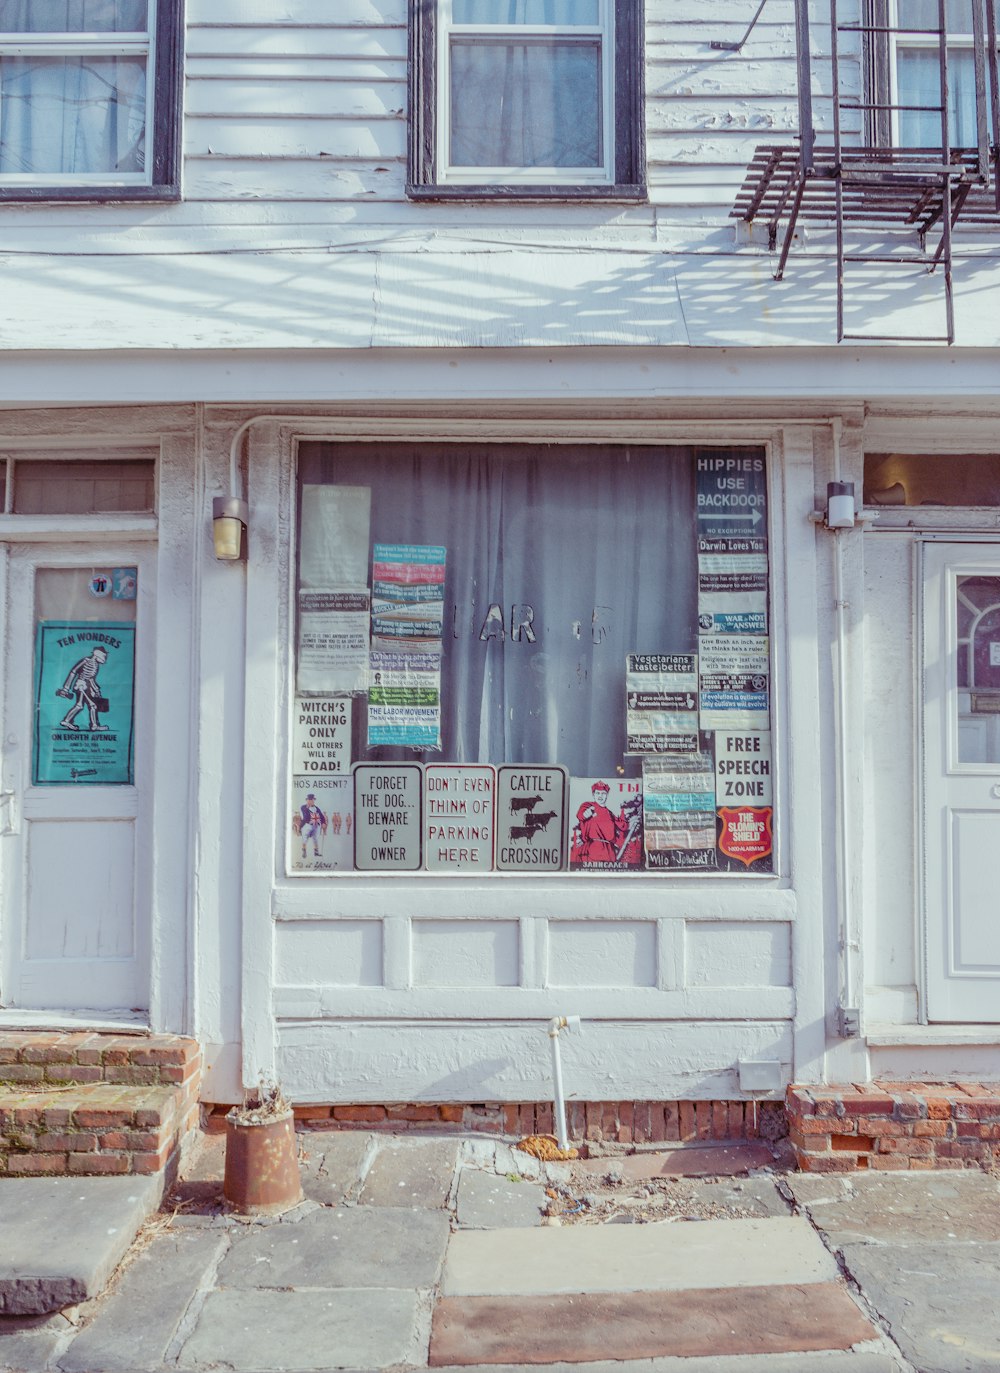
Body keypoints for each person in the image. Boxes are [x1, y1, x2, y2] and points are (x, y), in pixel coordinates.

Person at [55, 645, 109, 731]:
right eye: (103, 656)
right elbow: (74, 671)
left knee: (80, 706)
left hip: (86, 686)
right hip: (81, 685)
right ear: (98, 655)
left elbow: (91, 678)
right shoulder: (86, 661)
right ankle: (93, 725)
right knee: (92, 706)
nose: (104, 659)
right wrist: (66, 688)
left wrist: (96, 689)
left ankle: (67, 721)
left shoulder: (95, 665)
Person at [573, 781, 619, 864]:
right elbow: (580, 815)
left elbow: (622, 825)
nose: (600, 796)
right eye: (597, 793)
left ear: (607, 795)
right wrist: (586, 813)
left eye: (603, 793)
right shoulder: (588, 805)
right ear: (593, 795)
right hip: (593, 848)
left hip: (609, 851)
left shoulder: (610, 813)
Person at [299, 793, 328, 859]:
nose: (312, 801)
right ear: (307, 800)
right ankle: (304, 852)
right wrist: (307, 807)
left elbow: (321, 816)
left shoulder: (316, 808)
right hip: (307, 825)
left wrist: (323, 823)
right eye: (310, 800)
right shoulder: (303, 807)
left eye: (312, 800)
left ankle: (316, 852)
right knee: (305, 839)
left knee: (315, 839)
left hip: (316, 826)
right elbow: (305, 816)